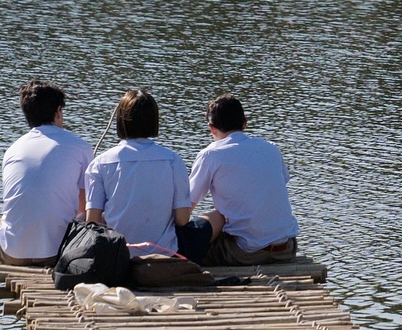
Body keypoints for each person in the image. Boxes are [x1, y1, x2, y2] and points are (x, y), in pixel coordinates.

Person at [183, 94, 299, 266]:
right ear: (244, 122)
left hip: (244, 253)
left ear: (211, 128)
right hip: (286, 249)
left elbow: (186, 207)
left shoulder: (210, 155)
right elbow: (278, 184)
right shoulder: (271, 149)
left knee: (210, 224)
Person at [84, 89, 191, 253]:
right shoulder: (173, 160)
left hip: (117, 256)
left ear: (121, 121)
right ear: (154, 120)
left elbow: (92, 221)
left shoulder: (100, 164)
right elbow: (182, 219)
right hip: (163, 254)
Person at [0, 81, 89, 267]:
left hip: (11, 253)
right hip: (56, 255)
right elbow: (85, 208)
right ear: (58, 111)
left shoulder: (12, 150)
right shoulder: (80, 146)